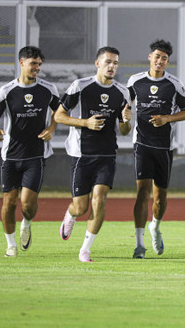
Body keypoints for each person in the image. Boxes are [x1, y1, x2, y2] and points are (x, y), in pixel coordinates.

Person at [56, 46, 131, 262]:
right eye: (108, 61)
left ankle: (85, 249)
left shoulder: (122, 92)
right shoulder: (80, 86)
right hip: (82, 154)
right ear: (97, 63)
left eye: (115, 63)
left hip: (107, 154)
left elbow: (124, 130)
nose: (112, 66)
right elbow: (59, 116)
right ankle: (70, 215)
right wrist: (85, 123)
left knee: (100, 200)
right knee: (81, 206)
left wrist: (126, 120)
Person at [0, 46, 59, 257]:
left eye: (39, 64)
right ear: (21, 63)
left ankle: (26, 223)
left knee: (28, 204)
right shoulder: (7, 90)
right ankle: (11, 246)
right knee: (8, 202)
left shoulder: (48, 89)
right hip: (10, 155)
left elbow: (59, 112)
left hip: (36, 155)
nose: (37, 67)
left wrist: (51, 128)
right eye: (33, 63)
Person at [127, 40, 185, 259]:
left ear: (168, 61)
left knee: (160, 198)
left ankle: (155, 226)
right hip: (142, 145)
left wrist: (167, 118)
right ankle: (139, 244)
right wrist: (124, 117)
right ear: (150, 57)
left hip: (164, 146)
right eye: (157, 56)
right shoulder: (135, 81)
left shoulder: (174, 84)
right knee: (141, 193)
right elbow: (126, 106)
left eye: (164, 58)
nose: (160, 61)